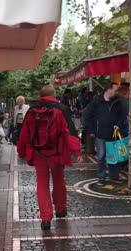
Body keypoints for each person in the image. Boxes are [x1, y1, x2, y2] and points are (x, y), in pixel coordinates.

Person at [17, 85, 82, 230]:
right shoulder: (60, 109)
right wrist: (76, 151)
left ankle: (45, 218)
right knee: (59, 180)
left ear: (40, 96)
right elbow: (69, 131)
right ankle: (60, 209)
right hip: (56, 152)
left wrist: (21, 151)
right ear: (54, 94)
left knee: (42, 183)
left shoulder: (32, 111)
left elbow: (24, 134)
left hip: (39, 153)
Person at [83, 82, 126, 186]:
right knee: (101, 156)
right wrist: (92, 130)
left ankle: (114, 176)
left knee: (113, 156)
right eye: (115, 90)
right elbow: (87, 116)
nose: (116, 92)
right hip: (100, 134)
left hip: (113, 134)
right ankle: (101, 177)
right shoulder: (96, 102)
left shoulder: (117, 102)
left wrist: (118, 124)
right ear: (108, 89)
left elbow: (122, 116)